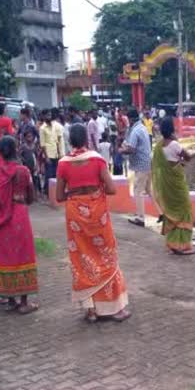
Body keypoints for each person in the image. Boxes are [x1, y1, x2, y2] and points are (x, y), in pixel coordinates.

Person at [56, 123, 131, 323]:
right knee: (105, 256)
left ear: (70, 141)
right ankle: (113, 308)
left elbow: (59, 196)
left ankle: (91, 310)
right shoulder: (97, 160)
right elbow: (112, 189)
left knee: (82, 258)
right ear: (87, 140)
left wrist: (76, 193)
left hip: (75, 218)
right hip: (98, 215)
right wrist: (93, 191)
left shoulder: (63, 163)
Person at [0, 136, 39, 315]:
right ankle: (24, 302)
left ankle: (10, 300)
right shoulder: (23, 171)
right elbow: (31, 197)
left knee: (6, 256)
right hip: (19, 215)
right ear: (15, 149)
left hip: (2, 218)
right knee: (23, 255)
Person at [151, 117, 195, 255]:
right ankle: (181, 246)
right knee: (184, 209)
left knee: (172, 212)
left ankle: (173, 244)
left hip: (166, 186)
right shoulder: (175, 145)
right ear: (172, 129)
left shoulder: (158, 147)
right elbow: (188, 157)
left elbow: (157, 166)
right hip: (177, 184)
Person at [39, 109, 61, 196]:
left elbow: (57, 141)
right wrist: (46, 157)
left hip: (55, 153)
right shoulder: (42, 128)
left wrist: (59, 153)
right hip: (48, 155)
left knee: (55, 174)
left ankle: (53, 192)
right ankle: (47, 192)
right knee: (49, 174)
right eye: (47, 115)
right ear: (44, 117)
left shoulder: (54, 127)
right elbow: (42, 144)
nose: (49, 117)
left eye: (50, 115)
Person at [20, 129, 41, 194]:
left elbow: (37, 157)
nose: (30, 138)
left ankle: (35, 194)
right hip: (26, 167)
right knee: (27, 181)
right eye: (28, 136)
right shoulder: (23, 147)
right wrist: (23, 161)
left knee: (35, 180)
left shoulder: (34, 146)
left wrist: (37, 165)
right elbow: (19, 156)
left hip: (34, 167)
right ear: (25, 138)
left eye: (31, 136)